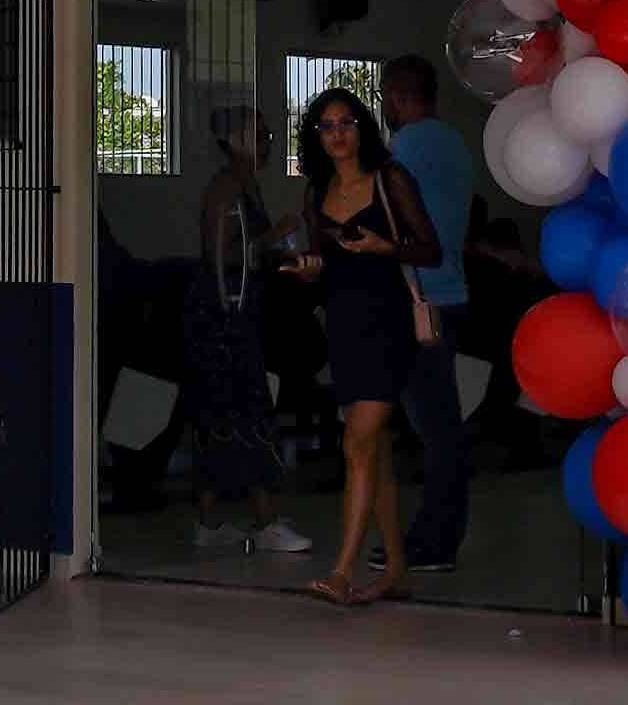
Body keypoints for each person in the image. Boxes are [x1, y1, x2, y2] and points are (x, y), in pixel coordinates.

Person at [283, 83, 432, 604]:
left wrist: (384, 247)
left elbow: (430, 249)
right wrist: (309, 270)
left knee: (357, 443)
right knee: (375, 451)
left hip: (388, 321)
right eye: (326, 126)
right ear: (315, 137)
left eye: (346, 123)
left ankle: (343, 571)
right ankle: (393, 566)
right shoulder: (316, 189)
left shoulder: (390, 178)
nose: (337, 134)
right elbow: (328, 265)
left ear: (363, 128)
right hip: (343, 324)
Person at [374, 55, 481, 574]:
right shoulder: (456, 143)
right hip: (449, 295)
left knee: (436, 429)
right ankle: (432, 535)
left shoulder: (408, 147)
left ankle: (435, 542)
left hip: (422, 300)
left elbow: (390, 220)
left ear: (396, 96)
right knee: (439, 425)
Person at [181, 107, 302, 558]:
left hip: (237, 309)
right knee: (243, 406)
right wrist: (276, 236)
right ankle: (265, 518)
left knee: (223, 411)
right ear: (234, 140)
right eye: (261, 135)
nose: (268, 143)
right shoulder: (226, 188)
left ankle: (210, 521)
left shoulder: (245, 184)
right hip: (222, 313)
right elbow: (222, 255)